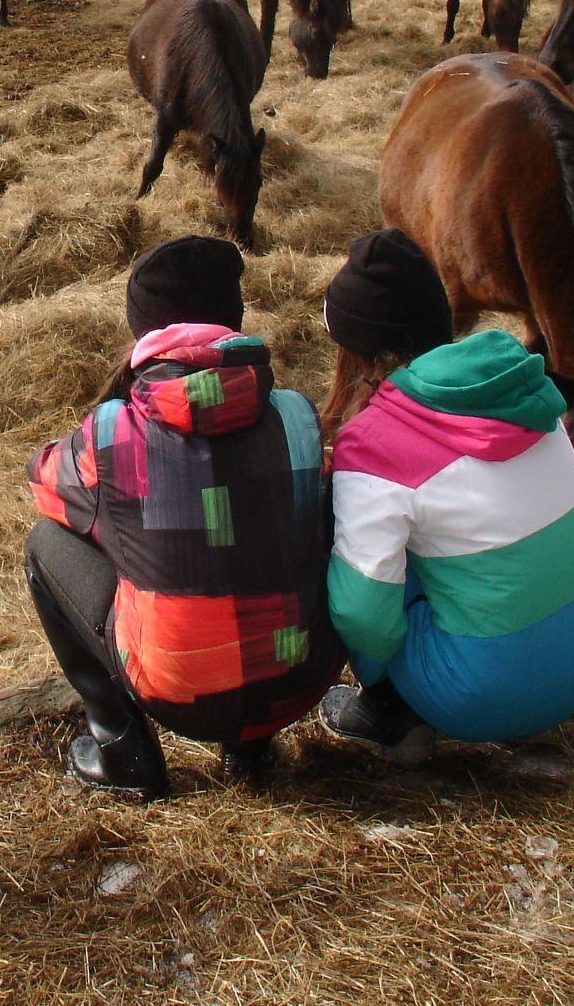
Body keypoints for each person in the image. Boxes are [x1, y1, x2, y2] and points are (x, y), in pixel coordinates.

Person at [24, 235, 343, 799]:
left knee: (45, 544)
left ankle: (122, 750)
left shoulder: (110, 433)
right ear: (233, 321)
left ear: (144, 333)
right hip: (297, 685)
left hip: (178, 695)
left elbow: (43, 485)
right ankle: (251, 748)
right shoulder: (297, 416)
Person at [317, 229, 574, 761]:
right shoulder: (523, 388)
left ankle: (390, 713)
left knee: (363, 571)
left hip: (482, 695)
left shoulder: (375, 444)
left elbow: (362, 615)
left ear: (364, 354)